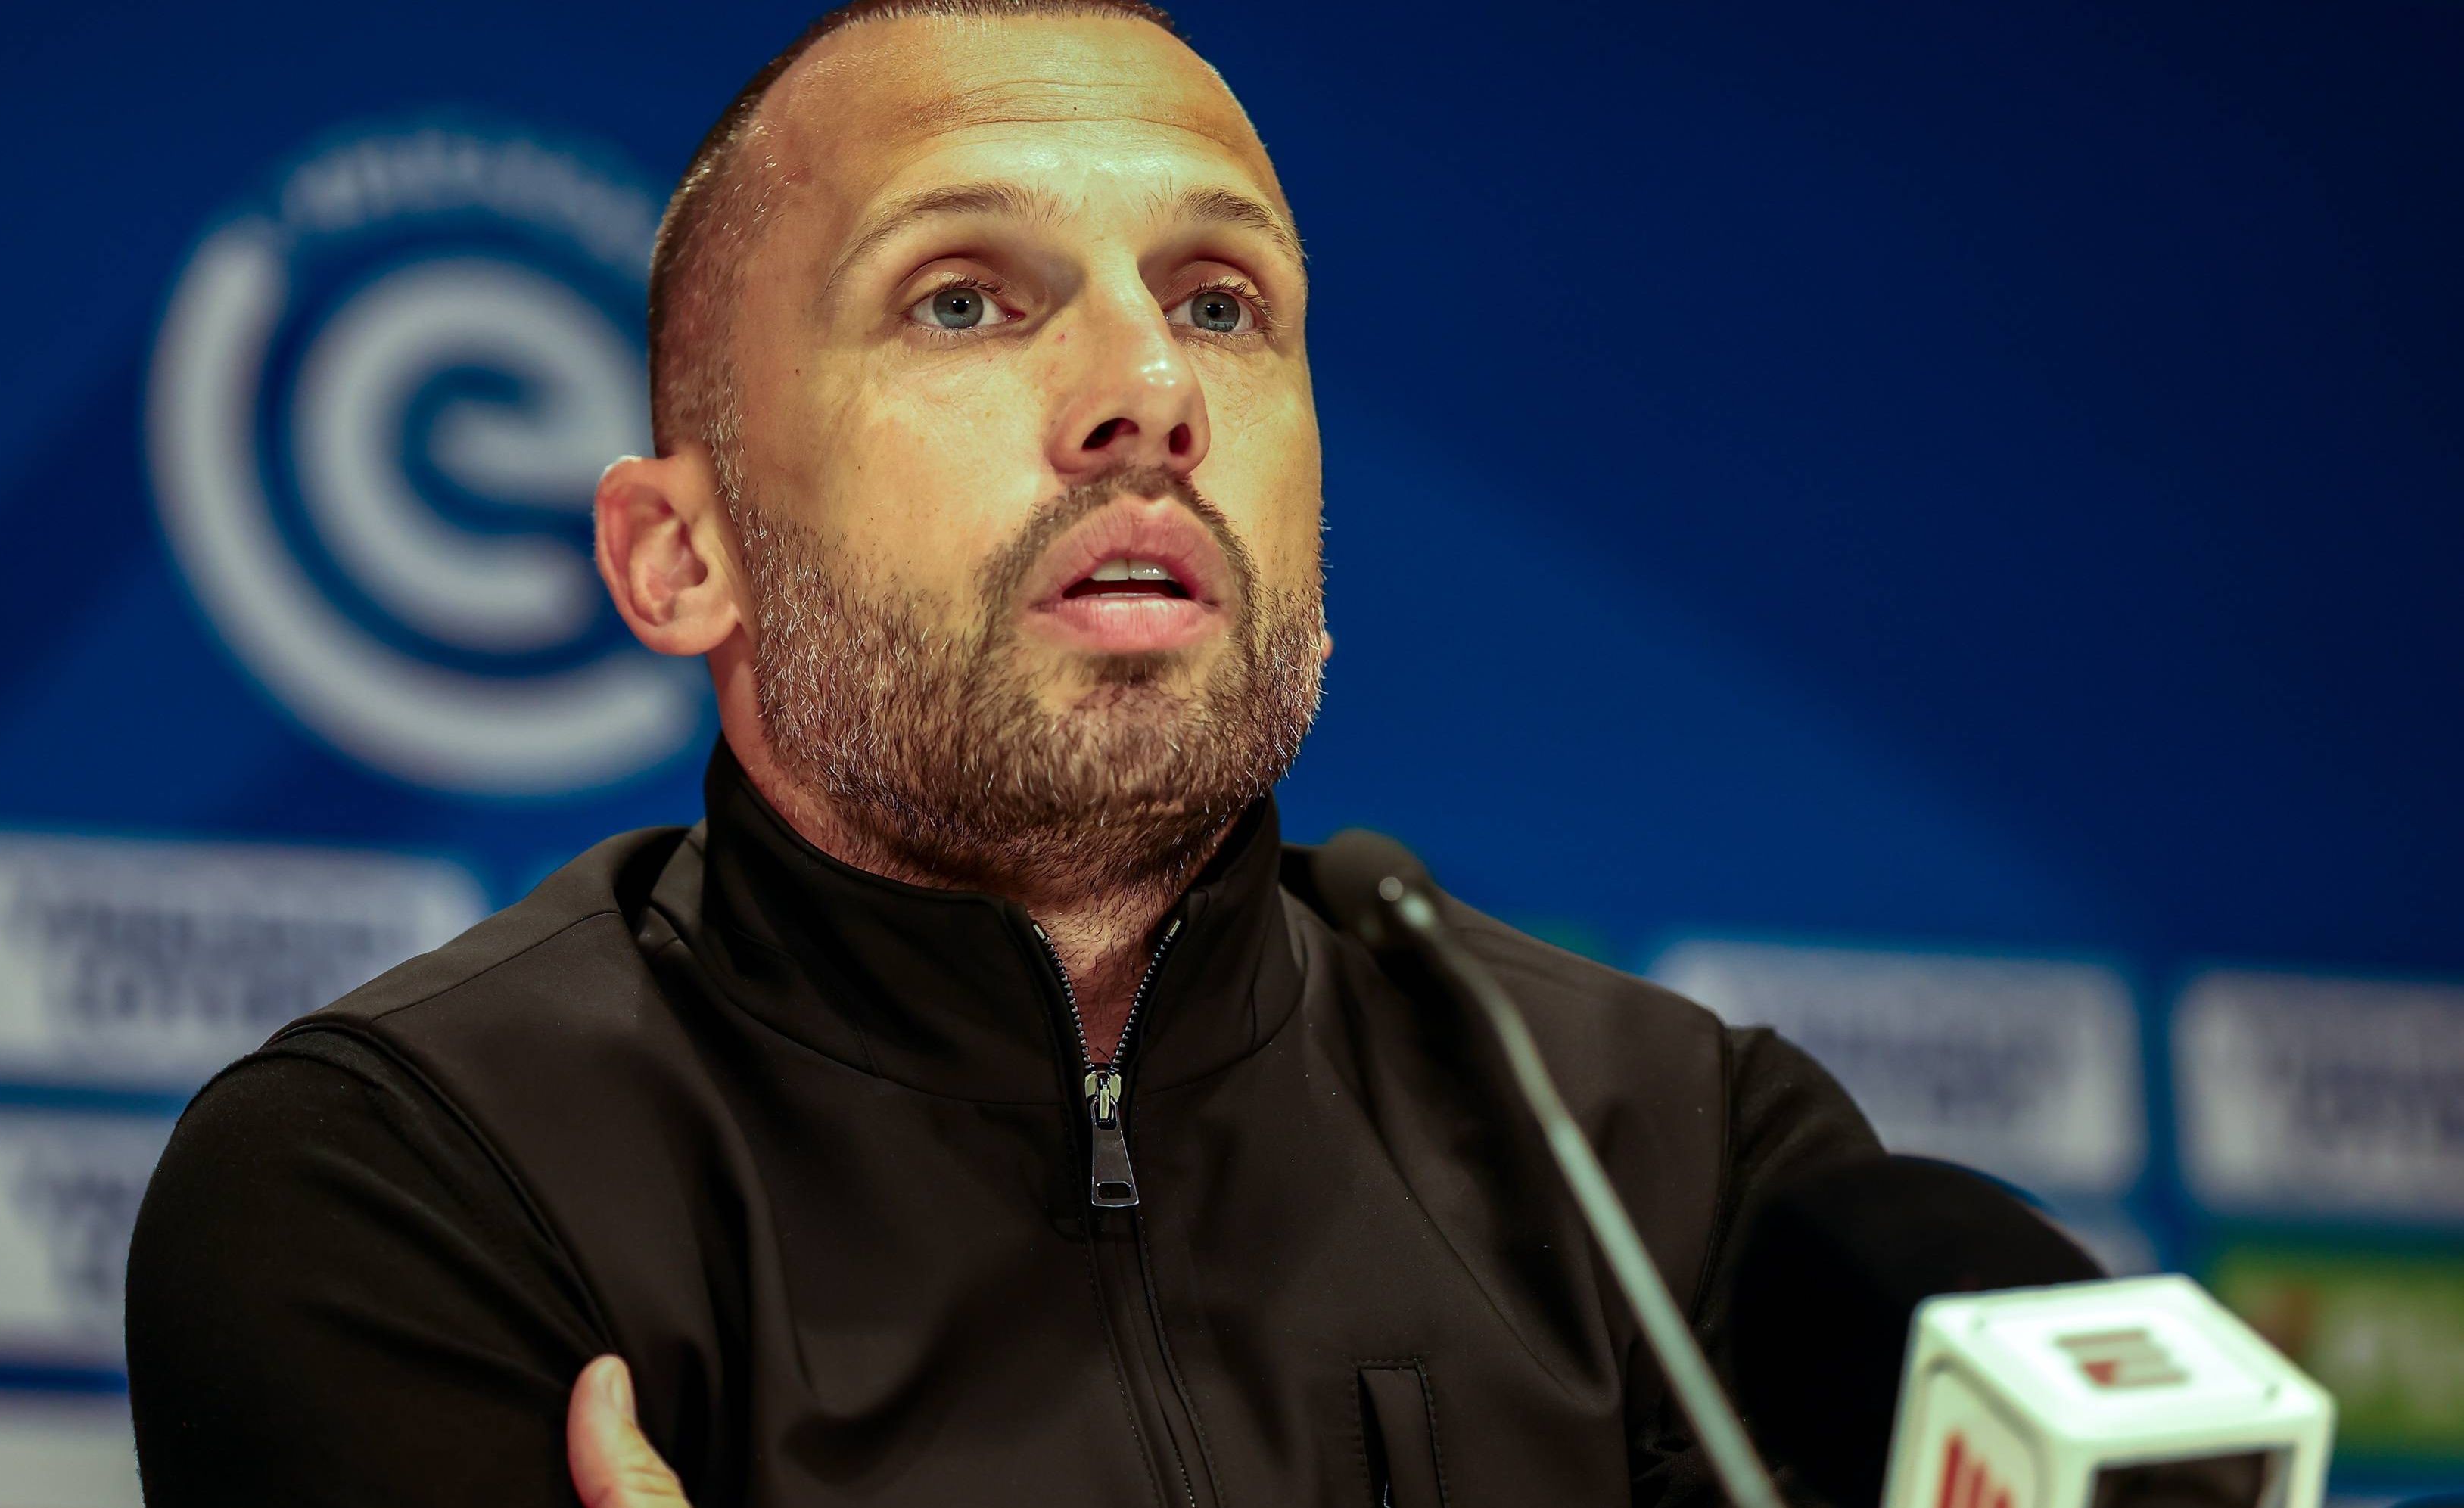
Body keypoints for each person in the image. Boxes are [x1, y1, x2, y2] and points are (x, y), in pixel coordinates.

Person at [123, 2, 1879, 1503]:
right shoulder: (405, 1185)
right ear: (679, 556)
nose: (1150, 393)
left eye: (1218, 305)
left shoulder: (1681, 1170)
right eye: (960, 301)